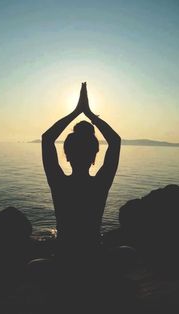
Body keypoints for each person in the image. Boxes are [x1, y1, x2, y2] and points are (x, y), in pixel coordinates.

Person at [42, 82, 121, 260]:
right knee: (128, 252)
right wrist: (90, 114)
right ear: (94, 157)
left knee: (34, 265)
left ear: (67, 155)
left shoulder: (59, 182)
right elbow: (115, 141)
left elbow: (47, 139)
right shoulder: (100, 184)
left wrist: (77, 111)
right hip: (94, 254)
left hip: (63, 256)